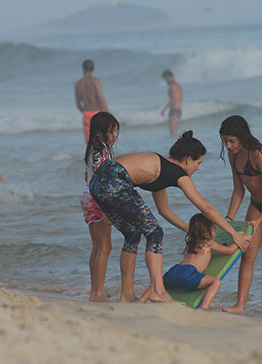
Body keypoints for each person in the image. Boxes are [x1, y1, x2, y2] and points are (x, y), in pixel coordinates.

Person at [89, 131, 251, 303]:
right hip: (114, 178)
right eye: (198, 163)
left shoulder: (162, 169)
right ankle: (158, 291)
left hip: (98, 182)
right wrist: (233, 234)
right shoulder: (177, 173)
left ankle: (127, 294)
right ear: (188, 159)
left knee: (132, 234)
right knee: (155, 233)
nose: (198, 168)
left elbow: (164, 210)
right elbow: (206, 208)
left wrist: (190, 230)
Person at [220, 115, 262, 314]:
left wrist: (259, 220)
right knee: (247, 254)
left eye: (232, 141)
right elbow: (238, 191)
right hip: (256, 203)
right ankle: (240, 305)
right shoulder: (233, 156)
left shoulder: (258, 154)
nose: (229, 146)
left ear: (242, 137)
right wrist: (229, 218)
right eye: (225, 141)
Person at [157, 213, 237, 310]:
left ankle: (143, 300)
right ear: (207, 233)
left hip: (174, 271)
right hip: (188, 273)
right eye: (214, 229)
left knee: (159, 283)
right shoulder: (209, 243)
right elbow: (229, 250)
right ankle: (204, 307)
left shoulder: (190, 244)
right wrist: (241, 238)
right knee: (215, 282)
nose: (216, 232)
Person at [81, 112, 120, 302]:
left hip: (88, 197)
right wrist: (107, 207)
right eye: (111, 132)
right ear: (99, 133)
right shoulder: (101, 151)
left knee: (97, 246)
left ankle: (94, 292)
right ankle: (98, 293)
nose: (115, 136)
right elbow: (101, 179)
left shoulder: (91, 149)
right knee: (105, 247)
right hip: (98, 198)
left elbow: (87, 177)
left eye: (115, 132)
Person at [75, 59, 109, 143]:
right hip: (97, 113)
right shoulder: (95, 81)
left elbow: (78, 104)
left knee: (90, 142)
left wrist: (85, 112)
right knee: (101, 141)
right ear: (93, 69)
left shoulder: (78, 83)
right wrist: (107, 113)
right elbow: (101, 98)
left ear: (83, 69)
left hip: (86, 114)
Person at [160, 70, 182, 136]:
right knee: (174, 132)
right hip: (178, 110)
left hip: (174, 111)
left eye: (165, 79)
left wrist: (164, 109)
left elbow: (173, 98)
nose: (165, 81)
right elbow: (181, 98)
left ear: (168, 77)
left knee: (173, 133)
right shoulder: (178, 85)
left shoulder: (172, 86)